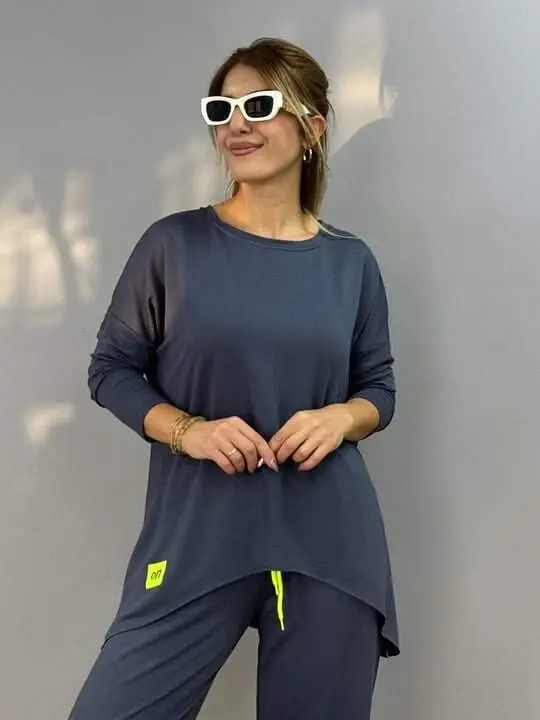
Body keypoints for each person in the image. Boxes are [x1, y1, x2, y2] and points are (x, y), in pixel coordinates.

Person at [69, 36, 399, 720]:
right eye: (222, 109)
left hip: (328, 543)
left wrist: (341, 418)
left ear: (313, 126)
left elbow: (379, 388)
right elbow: (112, 369)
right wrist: (188, 431)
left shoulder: (350, 263)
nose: (236, 125)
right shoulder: (174, 245)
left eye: (259, 105)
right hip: (198, 534)